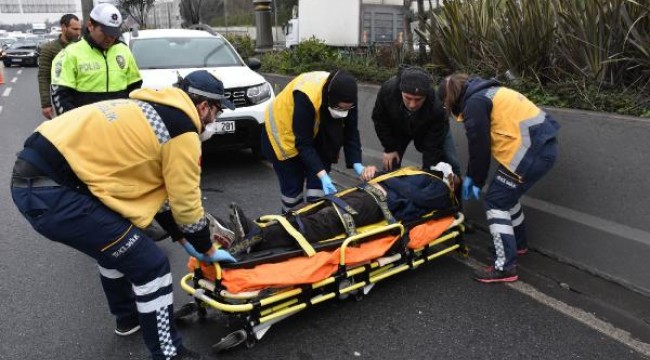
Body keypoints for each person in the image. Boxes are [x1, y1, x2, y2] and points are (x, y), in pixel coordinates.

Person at [10, 70, 237, 360]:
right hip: (54, 191)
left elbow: (164, 196)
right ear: (204, 107)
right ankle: (169, 354)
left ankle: (128, 318)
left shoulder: (152, 108)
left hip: (37, 178)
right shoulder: (183, 130)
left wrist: (184, 239)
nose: (213, 122)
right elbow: (186, 203)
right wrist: (206, 246)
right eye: (215, 113)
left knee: (113, 250)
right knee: (151, 266)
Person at [438, 73, 560, 283]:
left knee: (496, 200)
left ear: (450, 99)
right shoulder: (486, 92)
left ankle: (504, 267)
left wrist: (474, 180)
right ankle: (517, 244)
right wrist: (475, 178)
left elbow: (479, 147)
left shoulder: (474, 105)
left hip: (530, 152)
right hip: (541, 147)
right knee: (506, 197)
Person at [219, 163, 457, 255]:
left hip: (379, 204)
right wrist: (380, 178)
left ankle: (258, 238)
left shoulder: (439, 187)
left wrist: (382, 177)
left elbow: (415, 196)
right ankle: (259, 230)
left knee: (327, 220)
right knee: (311, 209)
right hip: (368, 194)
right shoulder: (416, 173)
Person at [261, 69, 365, 212]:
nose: (343, 112)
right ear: (330, 98)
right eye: (339, 108)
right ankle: (290, 222)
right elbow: (303, 143)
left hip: (316, 130)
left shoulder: (348, 96)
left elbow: (351, 130)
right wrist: (322, 175)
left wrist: (357, 163)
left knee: (318, 192)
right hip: (283, 136)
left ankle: (315, 221)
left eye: (346, 109)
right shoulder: (306, 96)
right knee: (293, 189)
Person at [50, 3, 142, 116]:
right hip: (86, 125)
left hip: (120, 123)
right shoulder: (69, 54)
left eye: (114, 33)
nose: (110, 38)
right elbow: (61, 95)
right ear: (90, 25)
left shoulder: (124, 50)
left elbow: (135, 88)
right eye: (105, 32)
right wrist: (75, 124)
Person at [371, 66, 462, 174]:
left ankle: (457, 182)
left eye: (418, 100)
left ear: (426, 95)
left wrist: (428, 173)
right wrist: (389, 148)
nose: (412, 105)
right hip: (399, 126)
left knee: (447, 160)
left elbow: (432, 147)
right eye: (408, 98)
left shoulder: (437, 107)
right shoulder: (388, 91)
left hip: (427, 129)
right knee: (391, 163)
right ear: (401, 91)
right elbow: (380, 119)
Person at [37, 13, 82, 119]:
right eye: (74, 29)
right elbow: (44, 77)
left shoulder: (83, 47)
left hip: (83, 95)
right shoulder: (49, 48)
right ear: (63, 28)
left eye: (79, 29)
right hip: (63, 97)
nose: (78, 33)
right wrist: (46, 104)